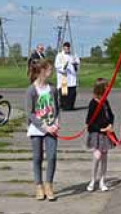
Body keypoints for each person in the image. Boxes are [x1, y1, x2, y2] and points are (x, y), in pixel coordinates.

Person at [26, 58, 60, 201]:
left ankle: (49, 185)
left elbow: (57, 108)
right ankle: (39, 186)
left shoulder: (52, 89)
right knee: (37, 157)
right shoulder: (31, 90)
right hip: (37, 129)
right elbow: (30, 113)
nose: (51, 72)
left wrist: (56, 122)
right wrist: (43, 126)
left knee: (51, 156)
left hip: (52, 128)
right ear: (42, 71)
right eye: (49, 70)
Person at [86, 78, 116, 192]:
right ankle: (93, 179)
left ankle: (102, 180)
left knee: (104, 156)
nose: (108, 89)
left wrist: (110, 125)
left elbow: (111, 115)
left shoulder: (105, 102)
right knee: (97, 155)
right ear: (101, 89)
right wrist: (101, 129)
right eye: (106, 87)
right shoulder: (93, 103)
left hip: (106, 133)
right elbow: (89, 122)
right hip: (97, 133)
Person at [54, 42, 81, 110]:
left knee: (72, 93)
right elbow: (57, 65)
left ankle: (71, 106)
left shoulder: (73, 55)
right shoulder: (60, 55)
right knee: (64, 93)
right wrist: (64, 67)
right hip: (64, 77)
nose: (67, 49)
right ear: (63, 48)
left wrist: (75, 63)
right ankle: (64, 106)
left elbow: (78, 62)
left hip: (72, 77)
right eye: (66, 48)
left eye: (68, 48)